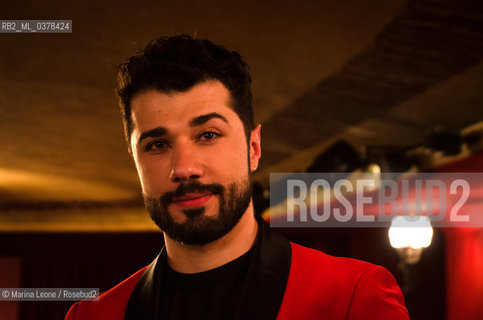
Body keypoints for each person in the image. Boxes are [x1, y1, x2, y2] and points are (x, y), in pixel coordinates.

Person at [65, 35, 409, 320]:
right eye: (157, 144)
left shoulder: (354, 294)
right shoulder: (91, 316)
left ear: (253, 148)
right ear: (135, 160)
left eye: (208, 135)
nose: (184, 168)